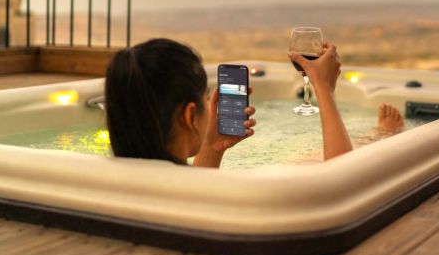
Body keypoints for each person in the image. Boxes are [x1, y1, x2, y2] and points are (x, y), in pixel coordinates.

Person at [104, 38, 355, 167]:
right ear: (190, 117)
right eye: (205, 95)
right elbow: (345, 182)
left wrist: (213, 147)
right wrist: (324, 89)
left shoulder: (116, 183)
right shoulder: (224, 196)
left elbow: (193, 190)